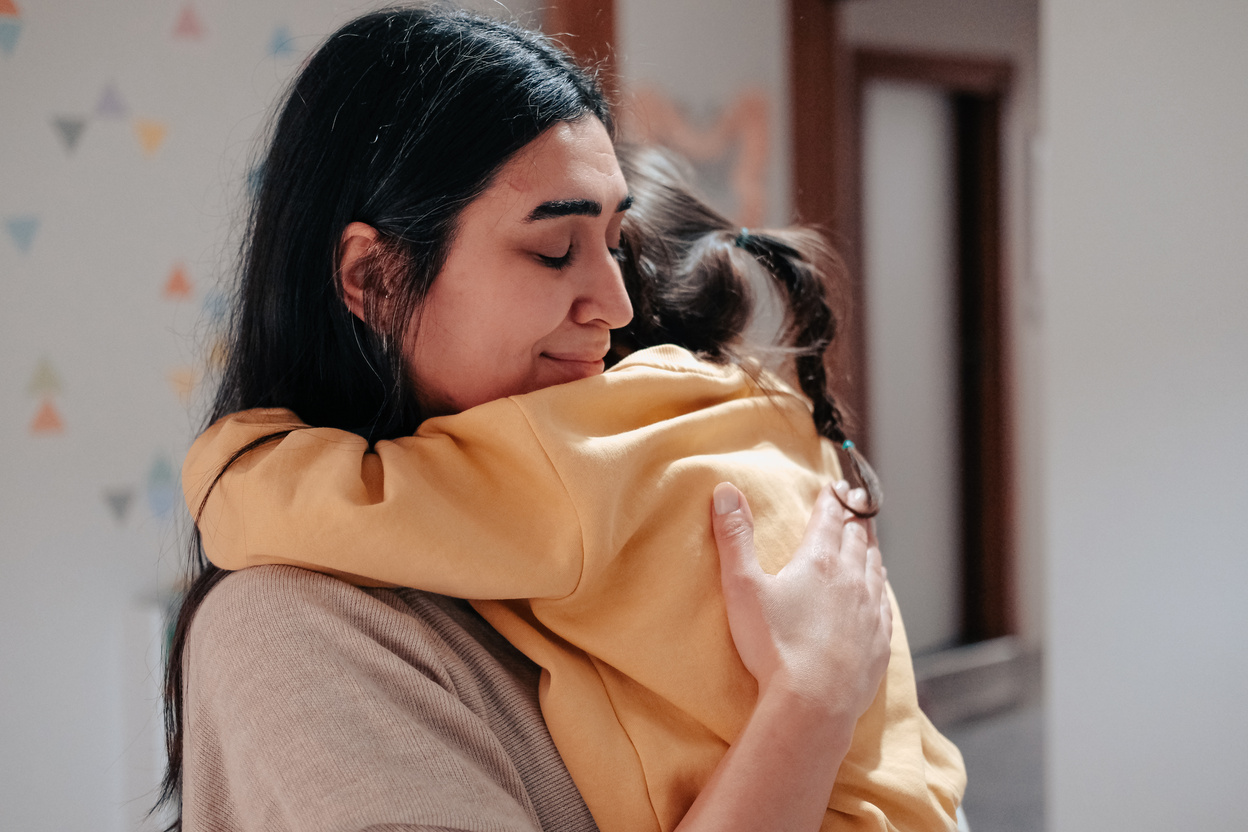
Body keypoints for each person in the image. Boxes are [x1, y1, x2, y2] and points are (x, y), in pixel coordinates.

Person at [161, 8, 959, 832]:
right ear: (372, 277)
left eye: (616, 242)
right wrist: (811, 702)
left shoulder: (575, 458)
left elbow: (282, 497)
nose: (615, 306)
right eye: (553, 251)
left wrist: (242, 461)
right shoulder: (293, 629)